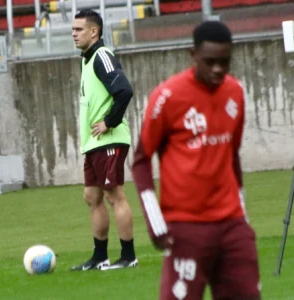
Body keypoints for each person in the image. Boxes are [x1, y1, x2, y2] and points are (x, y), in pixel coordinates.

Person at [132, 21, 261, 299]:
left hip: (231, 224)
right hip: (185, 226)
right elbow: (141, 160)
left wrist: (243, 215)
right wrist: (156, 222)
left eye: (224, 62)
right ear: (193, 55)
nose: (218, 69)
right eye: (210, 61)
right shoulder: (167, 97)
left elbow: (232, 156)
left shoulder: (235, 92)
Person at [70, 9, 137, 271]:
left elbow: (124, 90)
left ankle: (128, 256)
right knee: (91, 197)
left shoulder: (102, 56)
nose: (74, 34)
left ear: (94, 32)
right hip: (94, 144)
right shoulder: (86, 60)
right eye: (73, 30)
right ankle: (100, 257)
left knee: (114, 196)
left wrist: (109, 122)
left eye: (79, 29)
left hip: (109, 140)